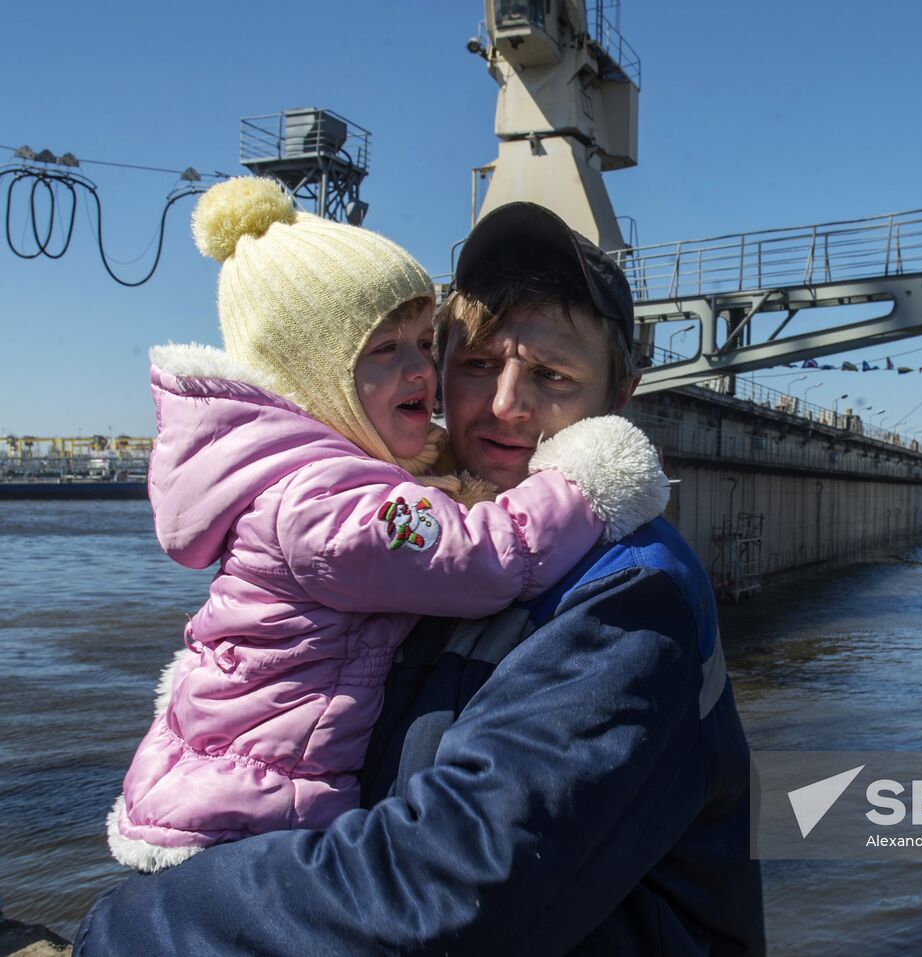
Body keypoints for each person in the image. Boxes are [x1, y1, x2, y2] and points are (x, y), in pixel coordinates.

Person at [75, 202, 765, 956]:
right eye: (475, 364)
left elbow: (453, 885)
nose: (505, 403)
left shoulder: (631, 596)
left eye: (552, 374)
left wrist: (136, 923)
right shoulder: (411, 545)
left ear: (618, 399)